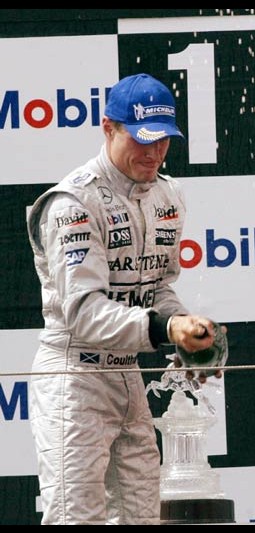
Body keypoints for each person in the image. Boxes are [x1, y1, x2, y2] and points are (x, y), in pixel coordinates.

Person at [26, 73, 224, 525]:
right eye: (142, 140)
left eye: (164, 142)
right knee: (78, 518)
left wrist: (187, 329)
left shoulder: (168, 195)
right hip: (73, 378)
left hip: (127, 376)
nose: (154, 153)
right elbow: (83, 313)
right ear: (108, 128)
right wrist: (163, 328)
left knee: (141, 516)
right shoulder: (72, 203)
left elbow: (158, 289)